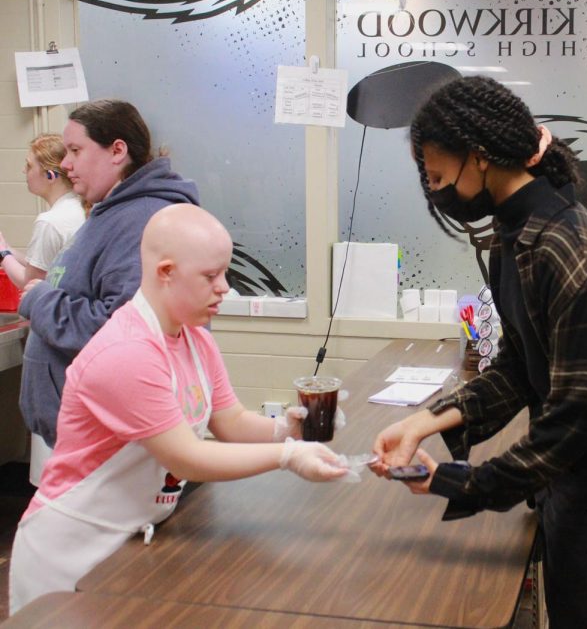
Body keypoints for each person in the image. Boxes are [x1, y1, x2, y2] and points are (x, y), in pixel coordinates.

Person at [370, 76, 587, 628]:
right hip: (573, 473)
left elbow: (575, 417)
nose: (437, 193)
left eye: (440, 177)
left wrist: (466, 482)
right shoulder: (514, 239)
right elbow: (518, 367)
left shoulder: (567, 251)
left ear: (481, 157)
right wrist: (425, 421)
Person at [9, 204, 350, 613]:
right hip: (71, 551)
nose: (224, 287)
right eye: (210, 276)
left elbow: (231, 422)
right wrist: (289, 456)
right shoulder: (129, 352)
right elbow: (187, 458)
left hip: (130, 542)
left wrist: (286, 429)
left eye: (224, 273)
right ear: (165, 272)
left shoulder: (195, 340)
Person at [18, 99, 200, 448]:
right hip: (87, 436)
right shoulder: (112, 212)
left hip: (108, 440)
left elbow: (119, 328)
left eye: (75, 150)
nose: (66, 164)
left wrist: (42, 300)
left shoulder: (141, 221)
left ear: (117, 150)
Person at [0, 134, 87, 288]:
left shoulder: (50, 222)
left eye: (29, 166)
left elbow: (30, 282)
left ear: (50, 176)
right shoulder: (81, 206)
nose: (23, 171)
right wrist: (6, 248)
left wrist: (3, 255)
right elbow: (40, 264)